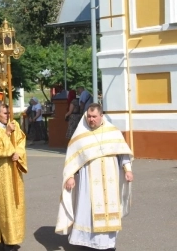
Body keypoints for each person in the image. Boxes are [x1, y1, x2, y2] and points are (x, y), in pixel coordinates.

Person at [55, 103, 134, 250]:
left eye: (94, 117)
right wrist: (71, 176)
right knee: (88, 208)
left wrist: (127, 169)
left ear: (101, 116)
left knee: (109, 209)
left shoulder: (113, 132)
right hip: (88, 180)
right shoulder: (80, 135)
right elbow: (72, 159)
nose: (91, 120)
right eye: (89, 117)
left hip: (110, 178)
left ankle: (107, 243)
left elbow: (123, 153)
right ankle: (87, 243)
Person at [0, 101, 27, 250]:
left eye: (9, 113)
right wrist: (7, 133)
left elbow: (21, 142)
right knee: (3, 205)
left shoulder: (15, 124)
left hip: (13, 169)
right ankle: (5, 238)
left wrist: (18, 154)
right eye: (4, 113)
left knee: (15, 204)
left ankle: (14, 237)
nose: (8, 116)